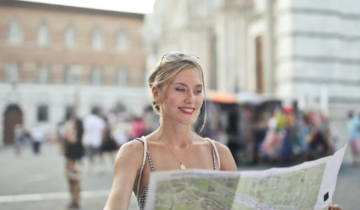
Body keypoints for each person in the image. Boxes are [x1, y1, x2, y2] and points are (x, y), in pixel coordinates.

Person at [103, 53, 343, 210]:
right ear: (156, 93)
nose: (191, 99)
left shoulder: (219, 154)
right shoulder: (135, 153)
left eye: (197, 90)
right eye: (180, 89)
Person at [64, 118, 84, 209]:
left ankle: (76, 201)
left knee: (75, 181)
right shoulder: (75, 133)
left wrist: (67, 129)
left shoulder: (78, 133)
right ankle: (73, 200)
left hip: (75, 161)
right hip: (70, 161)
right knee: (70, 181)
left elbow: (71, 139)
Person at [83, 107, 106, 173]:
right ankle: (97, 168)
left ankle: (88, 168)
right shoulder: (99, 120)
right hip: (97, 140)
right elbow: (103, 129)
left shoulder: (88, 119)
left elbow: (86, 128)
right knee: (97, 155)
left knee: (88, 155)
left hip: (88, 139)